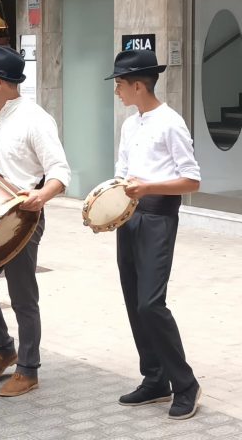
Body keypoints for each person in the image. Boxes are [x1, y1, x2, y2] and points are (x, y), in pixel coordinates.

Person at [0, 45, 70, 397]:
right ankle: (3, 348)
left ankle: (28, 369)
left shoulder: (36, 119)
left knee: (22, 296)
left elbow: (60, 172)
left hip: (23, 218)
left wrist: (41, 196)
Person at [105, 49, 202, 420]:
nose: (117, 91)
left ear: (138, 86)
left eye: (119, 84)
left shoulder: (171, 123)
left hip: (159, 217)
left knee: (150, 303)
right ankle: (155, 378)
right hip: (128, 217)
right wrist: (107, 207)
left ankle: (186, 384)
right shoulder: (130, 124)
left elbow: (192, 180)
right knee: (133, 300)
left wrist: (148, 187)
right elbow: (122, 172)